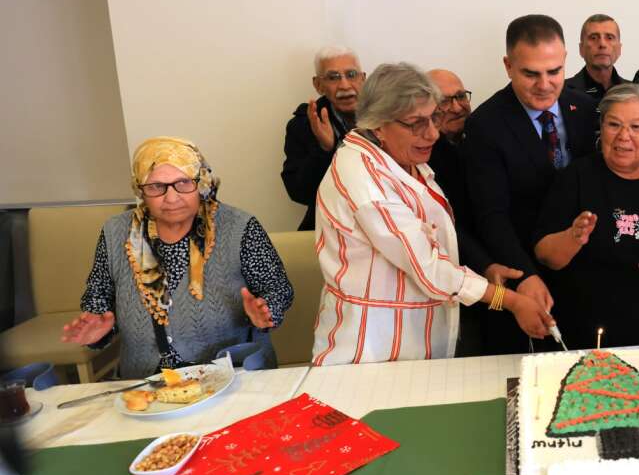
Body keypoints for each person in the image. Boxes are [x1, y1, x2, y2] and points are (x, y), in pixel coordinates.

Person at [311, 63, 553, 365]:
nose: (433, 133)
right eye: (416, 123)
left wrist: (485, 269)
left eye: (433, 118)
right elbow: (426, 265)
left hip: (415, 341)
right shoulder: (361, 178)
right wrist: (511, 301)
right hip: (370, 348)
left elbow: (439, 234)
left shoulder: (400, 158)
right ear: (378, 125)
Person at [63, 137, 293, 377]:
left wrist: (267, 312)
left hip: (231, 376)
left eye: (183, 183)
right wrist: (99, 326)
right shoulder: (115, 232)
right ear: (140, 190)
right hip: (147, 383)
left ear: (201, 183)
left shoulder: (239, 227)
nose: (171, 198)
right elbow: (97, 296)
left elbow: (278, 288)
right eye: (155, 187)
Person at [462, 14, 599, 354]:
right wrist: (525, 275)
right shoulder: (485, 124)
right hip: (521, 273)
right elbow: (491, 214)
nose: (544, 84)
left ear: (566, 60)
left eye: (554, 71)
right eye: (530, 73)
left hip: (582, 272)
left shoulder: (585, 109)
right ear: (508, 66)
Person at [533, 84, 639, 348]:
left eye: (636, 127)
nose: (624, 136)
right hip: (581, 333)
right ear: (601, 126)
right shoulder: (576, 177)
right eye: (614, 125)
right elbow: (544, 254)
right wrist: (572, 238)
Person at [426, 68, 523, 356]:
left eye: (460, 96)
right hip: (463, 273)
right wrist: (484, 263)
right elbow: (446, 223)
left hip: (504, 262)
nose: (457, 107)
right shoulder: (424, 156)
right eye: (445, 101)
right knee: (473, 354)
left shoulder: (485, 135)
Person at [282, 46, 365, 230]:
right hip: (329, 228)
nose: (344, 85)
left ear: (363, 79)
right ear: (318, 85)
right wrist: (323, 150)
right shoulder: (303, 125)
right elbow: (299, 193)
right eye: (333, 77)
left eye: (351, 74)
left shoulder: (388, 119)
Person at [564, 14, 625, 100]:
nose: (602, 44)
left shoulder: (634, 93)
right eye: (593, 38)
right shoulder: (562, 92)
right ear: (581, 49)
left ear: (619, 49)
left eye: (609, 37)